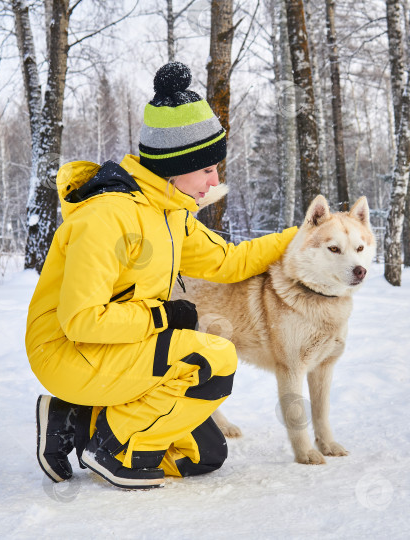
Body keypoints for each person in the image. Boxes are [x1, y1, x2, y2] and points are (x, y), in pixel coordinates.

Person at [25, 62, 297, 489]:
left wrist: (300, 239)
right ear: (177, 165)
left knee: (203, 456)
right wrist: (161, 317)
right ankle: (113, 450)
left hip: (120, 349)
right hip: (68, 351)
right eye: (207, 169)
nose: (214, 181)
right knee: (213, 357)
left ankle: (72, 418)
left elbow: (231, 261)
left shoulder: (171, 215)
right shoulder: (106, 218)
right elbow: (80, 319)